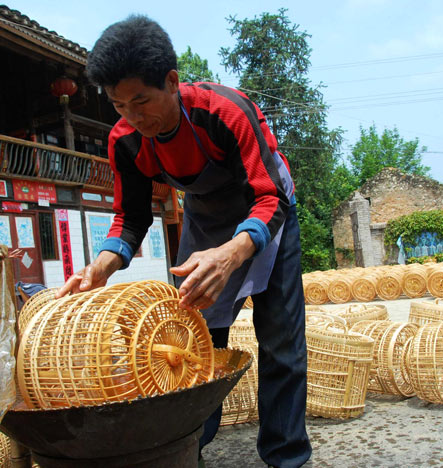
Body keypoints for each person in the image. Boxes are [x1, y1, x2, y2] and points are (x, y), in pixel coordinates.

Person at [57, 14, 311, 468]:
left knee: (282, 344)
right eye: (119, 106)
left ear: (172, 82)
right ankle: (187, 450)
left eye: (142, 101)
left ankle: (286, 455)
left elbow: (269, 194)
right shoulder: (125, 142)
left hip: (267, 212)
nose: (134, 118)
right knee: (193, 347)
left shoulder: (225, 111)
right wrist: (102, 264)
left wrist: (233, 252)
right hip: (204, 219)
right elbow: (130, 219)